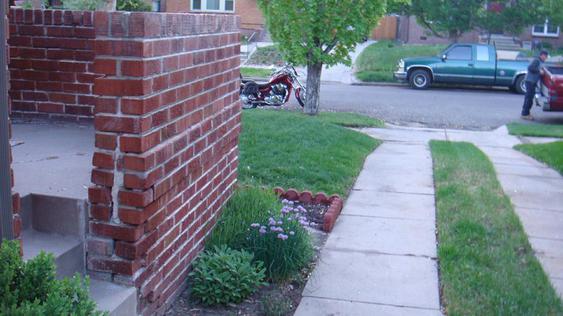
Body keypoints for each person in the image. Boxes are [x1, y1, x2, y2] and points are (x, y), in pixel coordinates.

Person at [521, 50, 549, 120]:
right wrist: (539, 71)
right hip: (530, 81)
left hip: (532, 82)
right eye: (545, 56)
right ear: (542, 55)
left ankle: (526, 112)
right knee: (529, 98)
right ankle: (525, 114)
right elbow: (530, 68)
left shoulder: (540, 62)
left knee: (529, 98)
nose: (546, 58)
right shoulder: (536, 60)